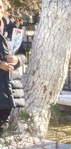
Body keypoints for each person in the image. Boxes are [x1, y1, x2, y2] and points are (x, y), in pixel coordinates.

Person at [0, 1, 27, 136]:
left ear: (3, 9)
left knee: (2, 129)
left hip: (7, 89)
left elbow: (23, 54)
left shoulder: (12, 28)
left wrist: (17, 60)